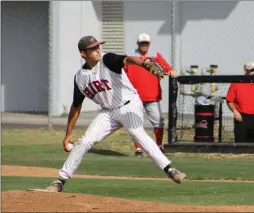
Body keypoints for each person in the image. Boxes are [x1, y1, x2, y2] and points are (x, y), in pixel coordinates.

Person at [36, 36, 186, 192]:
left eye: (97, 46)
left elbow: (128, 60)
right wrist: (68, 133)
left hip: (129, 104)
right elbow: (76, 106)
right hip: (108, 112)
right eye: (92, 48)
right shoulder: (80, 78)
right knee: (85, 141)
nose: (97, 49)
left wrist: (144, 62)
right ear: (83, 53)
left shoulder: (107, 60)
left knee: (137, 132)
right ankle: (60, 181)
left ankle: (169, 169)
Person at [124, 33, 177, 157]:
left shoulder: (155, 56)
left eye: (146, 43)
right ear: (138, 44)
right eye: (142, 43)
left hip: (152, 95)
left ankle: (158, 146)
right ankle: (138, 148)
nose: (144, 46)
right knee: (135, 123)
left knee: (158, 121)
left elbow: (167, 69)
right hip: (134, 96)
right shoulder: (130, 56)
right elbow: (121, 72)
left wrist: (171, 71)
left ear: (149, 44)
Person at [226, 62, 254, 143]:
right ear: (246, 70)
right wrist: (235, 111)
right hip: (242, 118)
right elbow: (229, 100)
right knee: (240, 143)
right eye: (252, 70)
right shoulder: (236, 83)